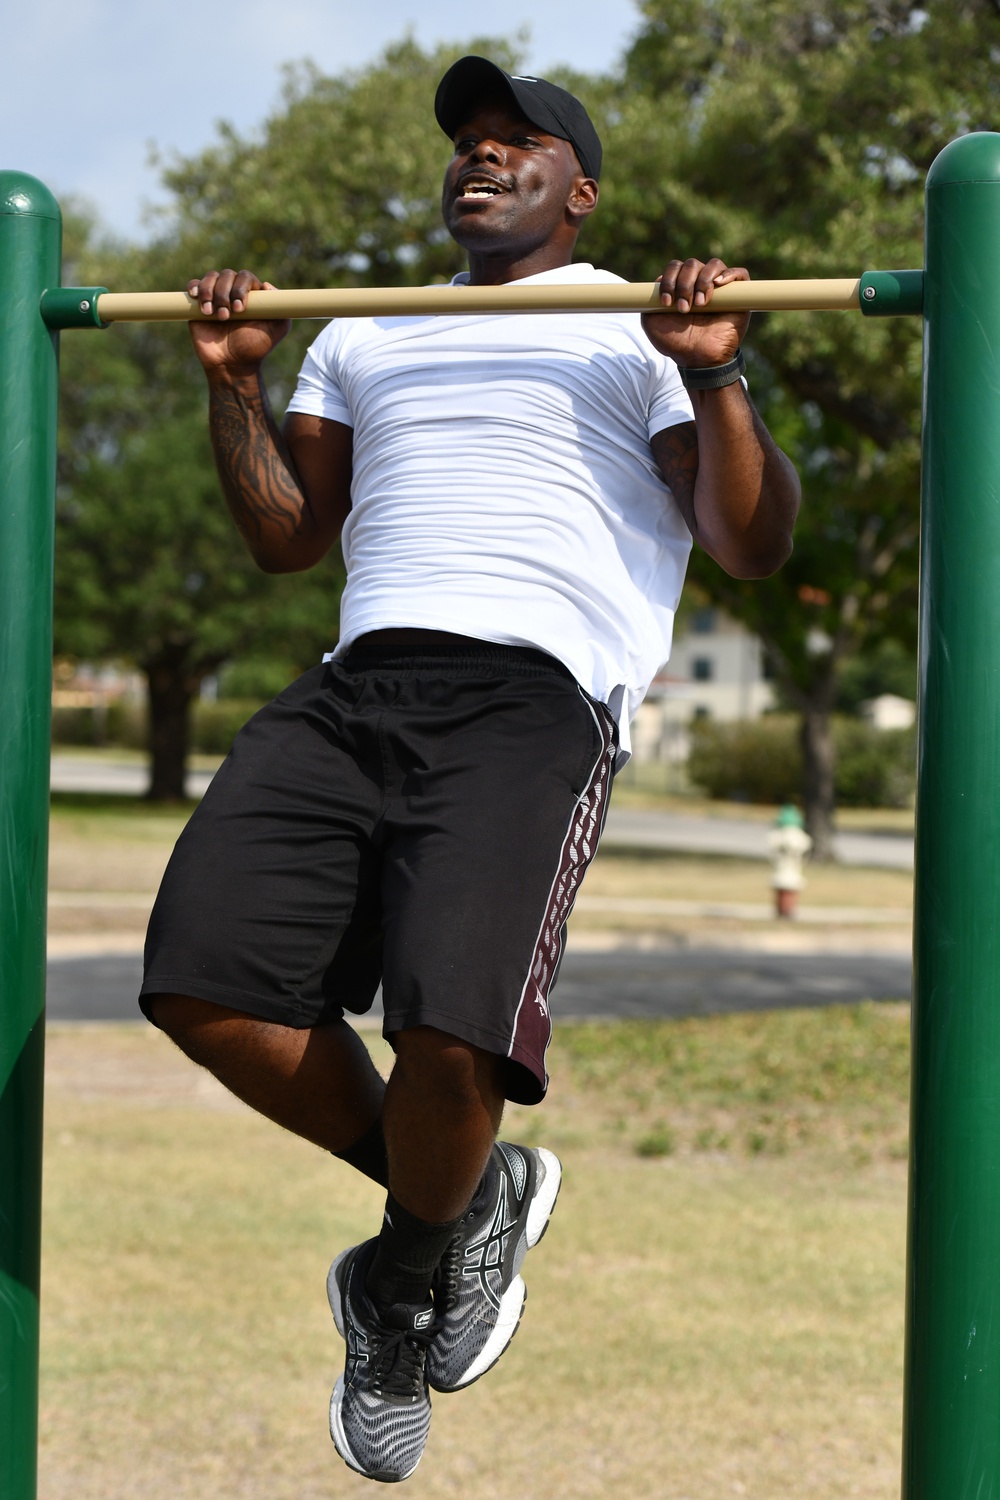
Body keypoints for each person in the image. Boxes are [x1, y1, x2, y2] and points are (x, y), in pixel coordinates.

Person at [139, 55, 801, 1483]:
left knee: (453, 1032)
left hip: (533, 699)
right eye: (468, 143)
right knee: (198, 975)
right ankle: (463, 1197)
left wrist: (716, 370)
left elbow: (751, 545)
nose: (482, 157)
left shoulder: (633, 323)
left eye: (519, 142)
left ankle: (397, 1292)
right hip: (356, 683)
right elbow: (287, 538)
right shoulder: (364, 328)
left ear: (582, 191)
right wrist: (234, 389)